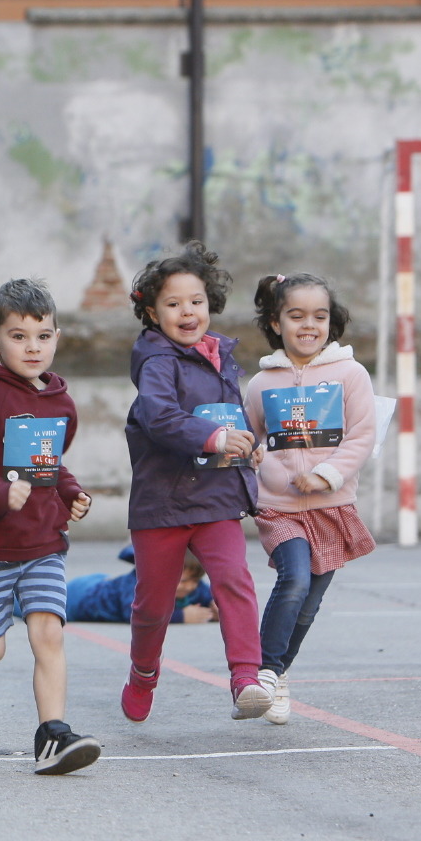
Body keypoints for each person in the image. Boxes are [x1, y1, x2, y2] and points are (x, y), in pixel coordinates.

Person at [0, 278, 101, 775]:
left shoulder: (60, 403)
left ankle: (53, 734)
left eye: (43, 336)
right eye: (19, 336)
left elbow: (48, 466)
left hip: (42, 543)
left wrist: (71, 493)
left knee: (48, 633)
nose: (33, 347)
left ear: (56, 338)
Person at [119, 242, 268, 724]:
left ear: (210, 304)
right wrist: (216, 437)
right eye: (173, 303)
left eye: (196, 301)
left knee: (235, 581)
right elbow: (160, 416)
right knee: (153, 605)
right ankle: (143, 673)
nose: (188, 312)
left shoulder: (220, 354)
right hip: (162, 503)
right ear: (152, 312)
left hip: (216, 498)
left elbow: (227, 415)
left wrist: (247, 445)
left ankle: (246, 678)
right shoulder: (156, 361)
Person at [243, 272, 376, 725]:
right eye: (296, 315)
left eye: (319, 316)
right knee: (295, 580)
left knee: (310, 604)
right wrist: (257, 460)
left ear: (331, 322)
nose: (308, 325)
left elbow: (361, 435)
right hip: (278, 508)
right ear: (275, 322)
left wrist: (326, 475)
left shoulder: (351, 374)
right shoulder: (261, 383)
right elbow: (252, 439)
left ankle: (279, 673)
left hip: (332, 506)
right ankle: (262, 673)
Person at [42, 547, 216, 626]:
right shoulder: (139, 585)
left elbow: (209, 596)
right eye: (183, 581)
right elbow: (133, 612)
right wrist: (179, 616)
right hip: (82, 597)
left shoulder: (194, 586)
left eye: (195, 580)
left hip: (103, 581)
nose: (189, 586)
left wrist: (216, 608)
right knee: (47, 605)